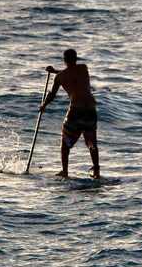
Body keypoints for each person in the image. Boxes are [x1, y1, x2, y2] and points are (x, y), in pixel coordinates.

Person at [39, 49, 100, 179]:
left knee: (65, 143)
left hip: (76, 110)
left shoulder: (60, 77)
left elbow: (52, 95)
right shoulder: (84, 68)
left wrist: (43, 104)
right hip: (91, 109)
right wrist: (55, 71)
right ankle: (96, 172)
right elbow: (72, 73)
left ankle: (65, 171)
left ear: (64, 60)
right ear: (76, 59)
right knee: (91, 142)